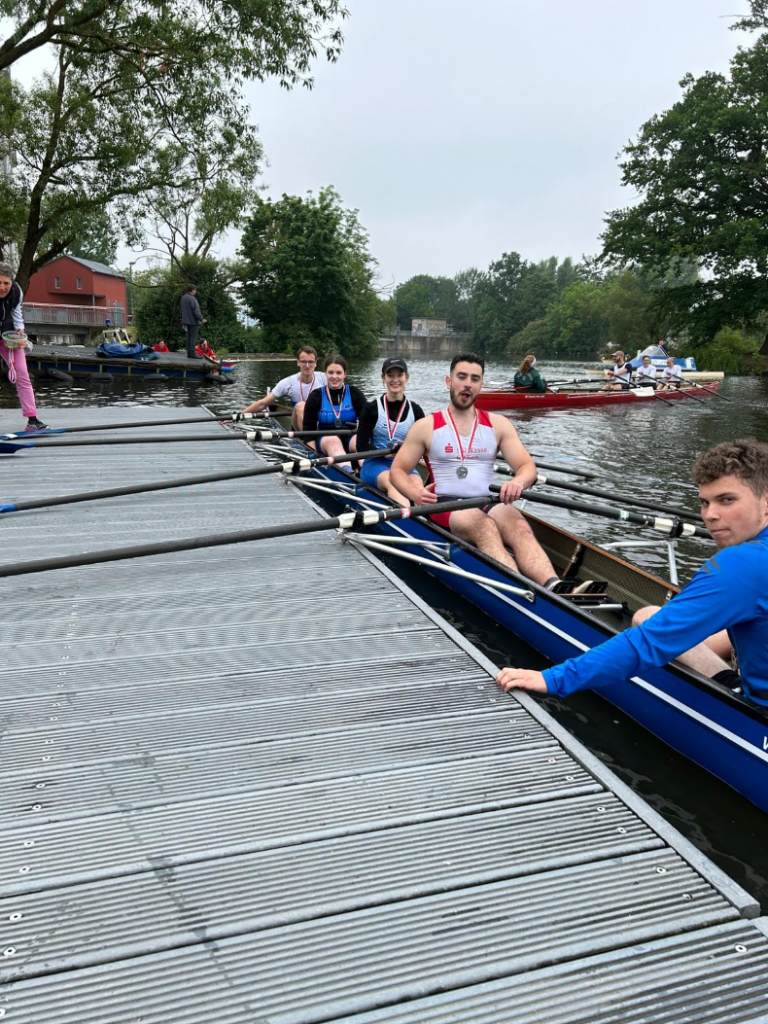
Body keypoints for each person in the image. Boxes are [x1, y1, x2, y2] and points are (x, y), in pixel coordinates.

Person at [496, 439, 768, 707]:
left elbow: (648, 643)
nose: (710, 515)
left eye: (727, 500)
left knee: (651, 625)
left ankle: (735, 689)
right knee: (649, 616)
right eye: (705, 502)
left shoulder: (742, 564)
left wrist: (554, 679)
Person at [389, 353, 560, 586]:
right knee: (484, 526)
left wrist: (518, 482)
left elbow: (527, 466)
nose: (467, 383)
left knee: (517, 522)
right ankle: (520, 590)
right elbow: (397, 471)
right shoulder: (426, 427)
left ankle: (553, 585)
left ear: (481, 386)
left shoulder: (498, 425)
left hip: (483, 500)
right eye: (461, 377)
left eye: (475, 379)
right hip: (445, 505)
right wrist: (414, 493)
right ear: (449, 382)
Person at [356, 357, 426, 506]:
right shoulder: (371, 410)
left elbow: (423, 445)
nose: (395, 380)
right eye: (390, 375)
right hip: (375, 464)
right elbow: (361, 447)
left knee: (418, 486)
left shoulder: (416, 411)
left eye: (399, 375)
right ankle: (409, 522)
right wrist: (388, 452)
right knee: (394, 482)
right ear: (383, 378)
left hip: (404, 465)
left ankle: (426, 523)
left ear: (406, 377)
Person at [0, 262, 48, 432]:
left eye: (6, 283)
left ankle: (32, 420)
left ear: (11, 282)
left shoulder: (16, 291)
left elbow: (16, 313)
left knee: (22, 374)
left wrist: (20, 329)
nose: (2, 287)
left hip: (9, 335)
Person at [302, 354, 368, 469]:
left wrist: (362, 427)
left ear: (345, 374)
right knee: (333, 441)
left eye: (338, 373)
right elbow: (308, 432)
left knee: (359, 442)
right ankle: (348, 473)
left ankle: (369, 471)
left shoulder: (355, 393)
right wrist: (313, 455)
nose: (334, 377)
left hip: (350, 436)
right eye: (330, 372)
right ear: (325, 374)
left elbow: (368, 423)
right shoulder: (316, 396)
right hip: (326, 439)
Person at [241, 345, 327, 430]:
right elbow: (262, 403)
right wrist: (239, 416)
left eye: (310, 362)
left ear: (315, 363)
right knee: (301, 406)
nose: (307, 365)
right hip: (299, 424)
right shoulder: (288, 383)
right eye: (304, 362)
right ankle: (308, 440)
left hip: (322, 420)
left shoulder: (325, 379)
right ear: (298, 362)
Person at [179, 285, 206, 359]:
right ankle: (192, 353)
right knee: (193, 338)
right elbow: (196, 310)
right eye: (195, 290)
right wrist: (201, 319)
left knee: (188, 338)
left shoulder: (183, 298)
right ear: (193, 290)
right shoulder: (192, 299)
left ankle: (189, 353)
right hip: (193, 321)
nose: (195, 292)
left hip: (185, 321)